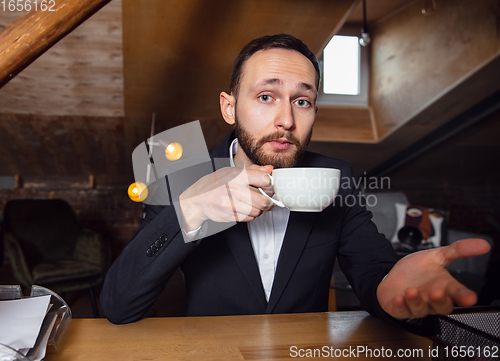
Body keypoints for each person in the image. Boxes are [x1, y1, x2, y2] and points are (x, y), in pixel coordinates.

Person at [100, 34, 490, 326]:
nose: (286, 120)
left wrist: (389, 289)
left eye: (302, 101)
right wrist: (189, 210)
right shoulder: (183, 177)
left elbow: (374, 274)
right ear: (230, 107)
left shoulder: (337, 177)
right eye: (266, 96)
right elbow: (118, 305)